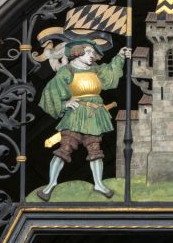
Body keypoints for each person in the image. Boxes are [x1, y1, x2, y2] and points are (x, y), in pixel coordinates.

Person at [37, 39, 131, 200]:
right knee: (64, 149)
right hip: (76, 115)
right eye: (88, 52)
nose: (92, 56)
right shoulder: (67, 70)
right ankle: (51, 184)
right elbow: (51, 91)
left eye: (93, 53)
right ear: (77, 52)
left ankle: (98, 184)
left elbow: (109, 74)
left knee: (95, 149)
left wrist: (120, 57)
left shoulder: (95, 70)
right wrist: (65, 103)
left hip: (94, 115)